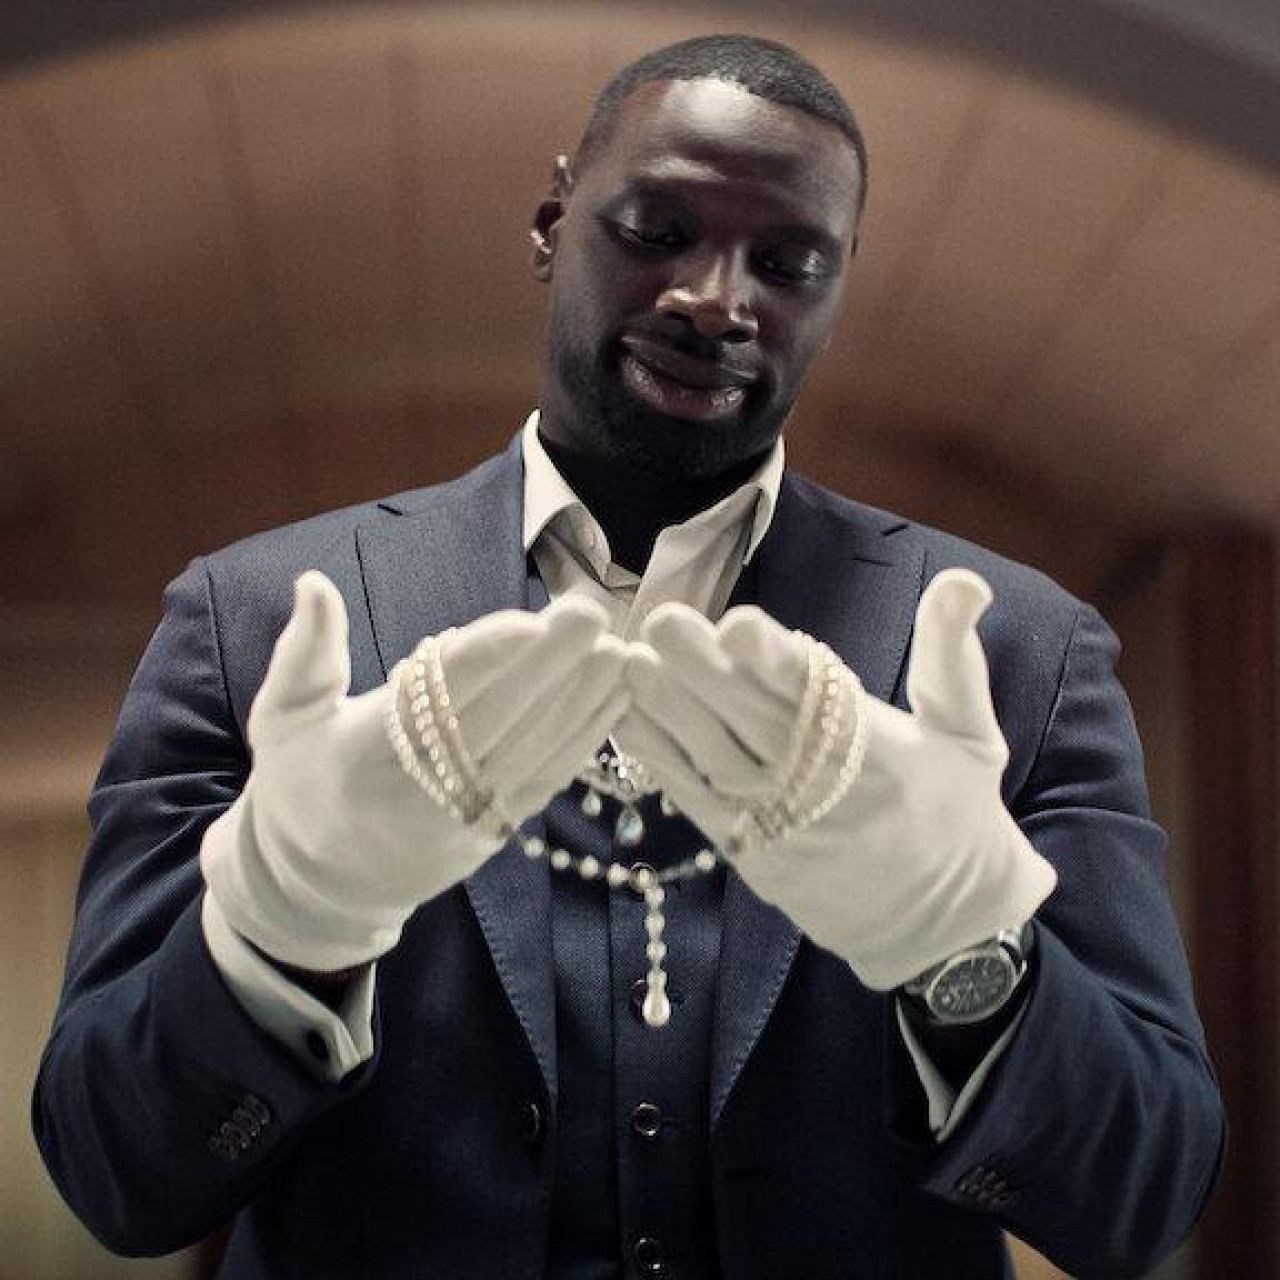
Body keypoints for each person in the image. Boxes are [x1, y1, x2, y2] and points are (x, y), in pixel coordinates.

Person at [34, 33, 1223, 1280]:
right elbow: (116, 1174)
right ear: (553, 222)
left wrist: (966, 949)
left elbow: (1141, 1199)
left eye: (786, 263)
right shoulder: (253, 621)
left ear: (835, 292)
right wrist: (279, 925)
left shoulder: (1014, 651)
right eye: (659, 230)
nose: (716, 298)